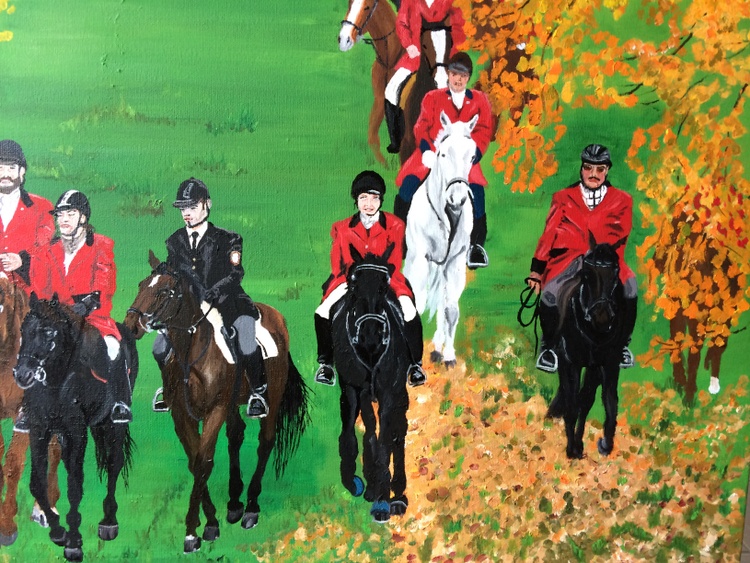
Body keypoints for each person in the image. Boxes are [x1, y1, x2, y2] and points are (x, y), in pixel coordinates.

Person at [151, 178, 268, 418]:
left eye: (193, 207)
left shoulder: (228, 239)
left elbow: (235, 274)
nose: (187, 213)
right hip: (191, 306)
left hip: (227, 302)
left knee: (246, 337)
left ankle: (259, 392)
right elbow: (174, 273)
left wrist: (212, 292)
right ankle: (169, 388)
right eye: (183, 208)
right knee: (159, 346)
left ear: (207, 205)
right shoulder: (174, 241)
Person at [526, 144, 638, 372]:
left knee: (631, 287)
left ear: (607, 171)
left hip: (605, 261)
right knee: (550, 294)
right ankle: (549, 348)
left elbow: (621, 233)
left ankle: (622, 344)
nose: (593, 174)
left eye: (599, 169)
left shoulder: (623, 200)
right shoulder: (562, 198)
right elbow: (549, 234)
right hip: (569, 259)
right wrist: (537, 270)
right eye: (588, 168)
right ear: (581, 169)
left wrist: (598, 253)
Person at [314, 170, 427, 388]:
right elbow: (337, 264)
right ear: (356, 200)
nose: (369, 204)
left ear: (381, 200)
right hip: (351, 280)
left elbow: (394, 261)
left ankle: (415, 365)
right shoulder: (342, 228)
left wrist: (379, 278)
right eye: (363, 198)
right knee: (323, 310)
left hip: (387, 280)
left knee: (409, 310)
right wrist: (353, 279)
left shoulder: (395, 225)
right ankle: (326, 364)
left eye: (374, 198)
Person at [29, 190, 133, 424]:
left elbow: (105, 282)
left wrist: (88, 303)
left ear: (83, 217)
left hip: (92, 318)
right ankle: (30, 405)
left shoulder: (101, 245)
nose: (63, 219)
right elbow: (42, 288)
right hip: (57, 319)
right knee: (33, 344)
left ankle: (120, 402)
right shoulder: (48, 250)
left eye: (70, 213)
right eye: (60, 215)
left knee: (113, 347)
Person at [395, 51, 494, 269]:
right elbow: (421, 126)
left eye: (463, 76)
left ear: (468, 78)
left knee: (477, 195)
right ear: (448, 74)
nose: (458, 80)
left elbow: (484, 130)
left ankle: (475, 247)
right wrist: (426, 150)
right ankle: (399, 240)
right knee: (406, 189)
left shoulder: (479, 100)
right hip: (432, 154)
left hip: (464, 160)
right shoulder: (433, 98)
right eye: (454, 74)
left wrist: (474, 155)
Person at [384, 0, 466, 154]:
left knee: (457, 91)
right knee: (391, 90)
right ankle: (396, 139)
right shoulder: (410, 1)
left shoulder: (449, 2)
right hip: (414, 57)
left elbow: (459, 28)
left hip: (444, 58)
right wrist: (409, 44)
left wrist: (452, 53)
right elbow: (401, 24)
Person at [0, 140, 55, 292]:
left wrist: (22, 259)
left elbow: (47, 248)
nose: (5, 174)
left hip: (29, 293)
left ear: (22, 171)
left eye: (11, 168)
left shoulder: (42, 207)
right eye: (0, 168)